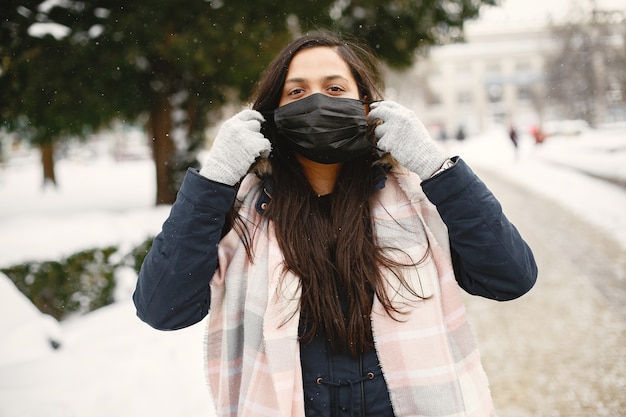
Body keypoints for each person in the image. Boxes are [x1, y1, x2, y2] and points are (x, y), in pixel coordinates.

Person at [133, 32, 538, 417]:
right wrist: (215, 180)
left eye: (334, 89)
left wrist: (436, 167)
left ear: (366, 106)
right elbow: (163, 308)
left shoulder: (419, 197)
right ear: (272, 114)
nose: (316, 103)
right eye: (296, 92)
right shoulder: (240, 212)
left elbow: (510, 276)